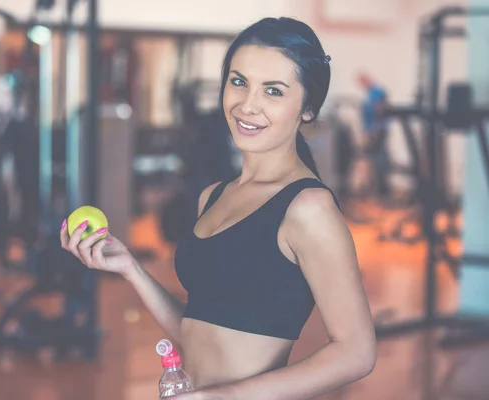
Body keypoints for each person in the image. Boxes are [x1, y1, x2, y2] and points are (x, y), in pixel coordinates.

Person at [61, 17, 376, 399]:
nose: (247, 105)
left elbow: (357, 353)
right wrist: (131, 269)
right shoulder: (211, 197)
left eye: (273, 91)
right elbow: (199, 332)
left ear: (307, 108)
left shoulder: (308, 207)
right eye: (239, 81)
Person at [357, 72, 391, 197]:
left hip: (377, 132)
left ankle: (382, 191)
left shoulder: (377, 93)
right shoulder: (370, 94)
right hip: (372, 131)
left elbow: (379, 112)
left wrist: (374, 131)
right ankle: (376, 189)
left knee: (379, 160)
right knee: (372, 160)